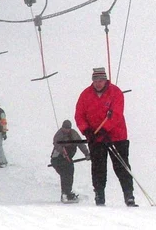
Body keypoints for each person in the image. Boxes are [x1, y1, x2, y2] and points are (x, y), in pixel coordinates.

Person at [75, 67, 137, 207]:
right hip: (95, 138)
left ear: (105, 80)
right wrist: (86, 131)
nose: (98, 83)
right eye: (95, 80)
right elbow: (79, 115)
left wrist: (105, 129)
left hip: (117, 136)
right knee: (98, 167)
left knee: (121, 166)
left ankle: (129, 196)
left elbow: (116, 113)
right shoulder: (85, 95)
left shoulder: (115, 92)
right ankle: (99, 195)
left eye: (101, 80)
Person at [51, 119, 90, 203]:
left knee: (69, 172)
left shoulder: (73, 134)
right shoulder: (59, 135)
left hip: (68, 159)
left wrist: (86, 153)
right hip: (57, 159)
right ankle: (65, 193)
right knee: (65, 173)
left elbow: (80, 144)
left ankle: (67, 193)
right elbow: (57, 145)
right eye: (64, 128)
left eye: (68, 128)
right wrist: (64, 153)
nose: (66, 130)